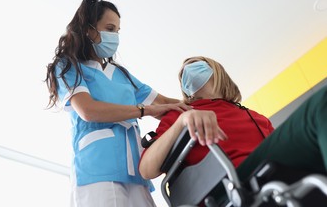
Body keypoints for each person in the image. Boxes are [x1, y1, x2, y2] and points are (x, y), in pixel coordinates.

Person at [45, 0, 188, 207]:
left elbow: (166, 104)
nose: (115, 37)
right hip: (98, 171)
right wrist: (142, 112)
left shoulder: (121, 74)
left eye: (118, 31)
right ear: (89, 30)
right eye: (109, 28)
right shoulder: (68, 67)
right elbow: (88, 110)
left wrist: (206, 106)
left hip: (135, 172)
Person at [139, 55, 327, 185]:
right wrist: (182, 121)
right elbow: (146, 169)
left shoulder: (255, 117)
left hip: (276, 170)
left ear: (218, 71)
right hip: (230, 183)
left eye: (197, 64)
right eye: (182, 75)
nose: (187, 70)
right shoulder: (181, 114)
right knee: (322, 103)